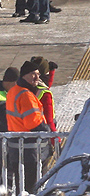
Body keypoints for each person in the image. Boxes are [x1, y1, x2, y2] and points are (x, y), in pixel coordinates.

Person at [7, 61, 49, 192]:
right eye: (33, 74)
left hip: (15, 147)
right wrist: (47, 132)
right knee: (32, 188)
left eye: (38, 74)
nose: (37, 78)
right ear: (24, 76)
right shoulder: (26, 95)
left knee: (21, 186)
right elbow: (33, 123)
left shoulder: (13, 91)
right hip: (29, 150)